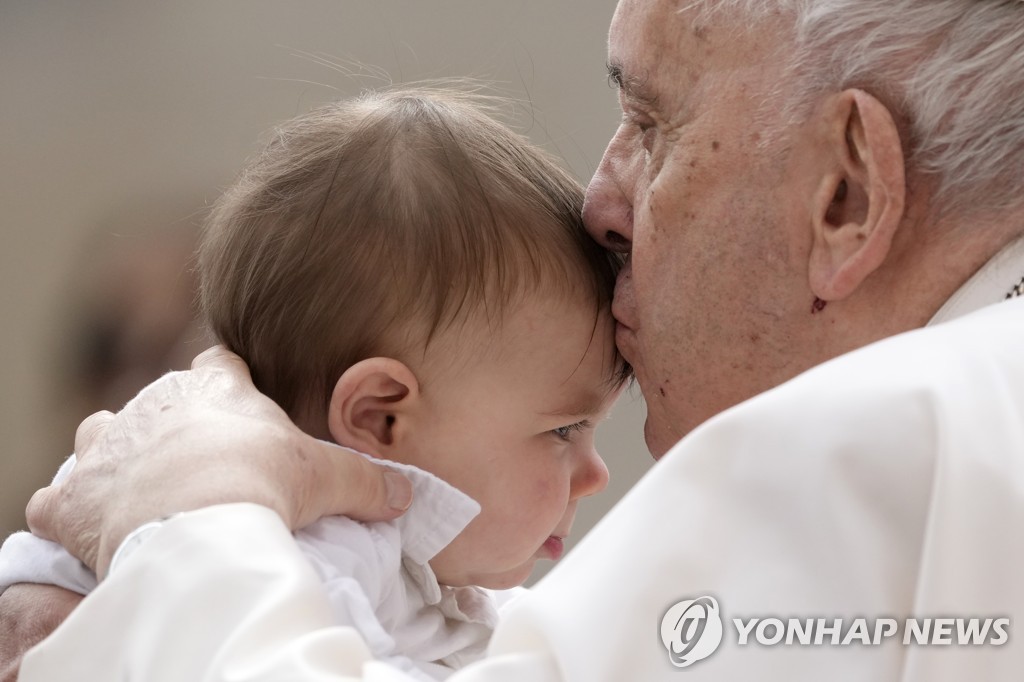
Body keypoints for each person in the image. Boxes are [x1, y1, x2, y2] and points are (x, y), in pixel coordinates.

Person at [6, 0, 1024, 679]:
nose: (599, 203)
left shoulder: (860, 454)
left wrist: (191, 518)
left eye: (651, 123)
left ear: (845, 193)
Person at [0, 88, 626, 679]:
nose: (596, 473)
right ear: (380, 417)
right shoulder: (319, 560)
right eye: (564, 428)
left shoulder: (419, 578)